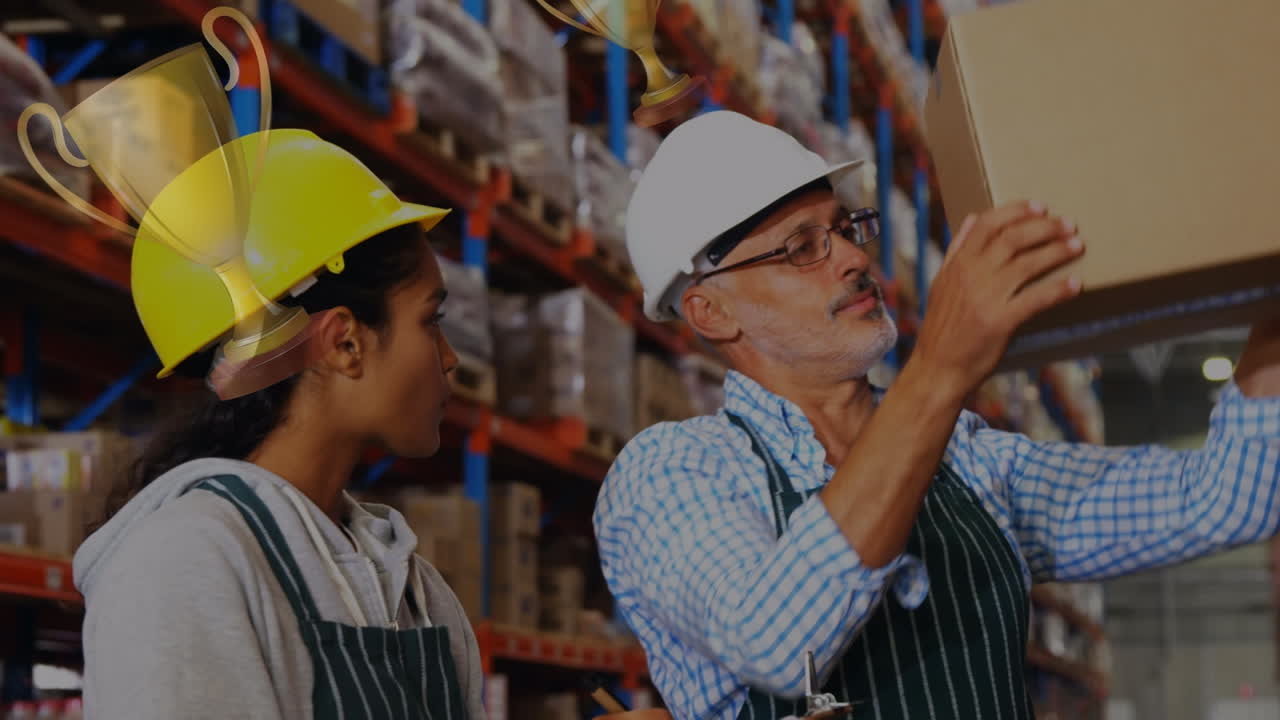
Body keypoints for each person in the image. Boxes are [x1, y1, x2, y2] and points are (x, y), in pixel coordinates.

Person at [595, 110, 1280, 719]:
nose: (856, 259)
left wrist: (1267, 286)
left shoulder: (970, 459)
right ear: (711, 312)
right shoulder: (672, 473)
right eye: (803, 248)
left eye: (844, 229)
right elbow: (774, 641)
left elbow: (1225, 499)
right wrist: (942, 367)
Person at [72, 130, 486, 719]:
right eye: (431, 320)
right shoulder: (182, 564)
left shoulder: (411, 585)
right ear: (345, 342)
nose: (449, 358)